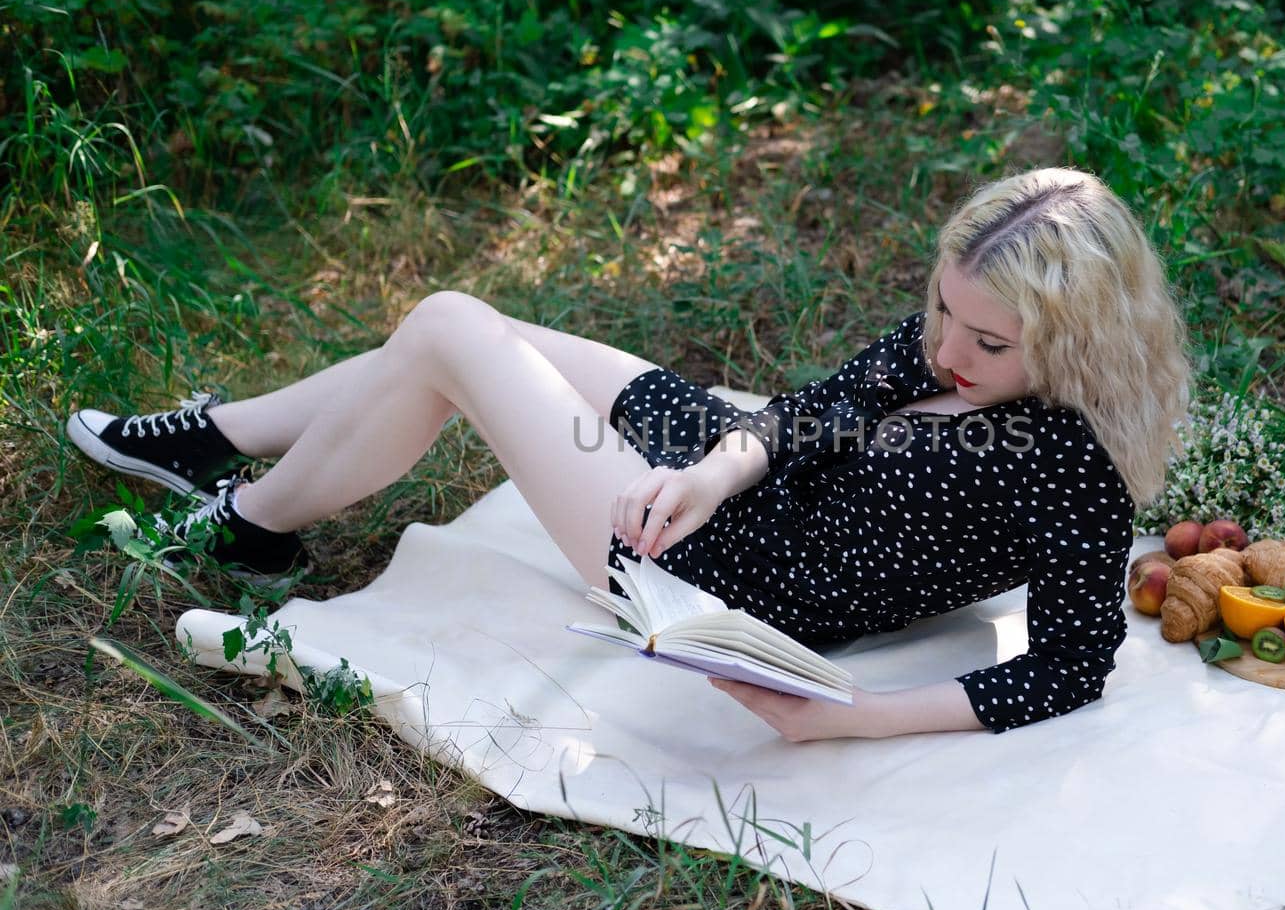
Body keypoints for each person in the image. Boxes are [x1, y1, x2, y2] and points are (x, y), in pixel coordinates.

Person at [66, 167, 1191, 741]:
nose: (944, 347)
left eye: (985, 340)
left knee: (455, 327)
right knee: (463, 336)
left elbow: (1067, 665)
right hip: (721, 491)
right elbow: (803, 413)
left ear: (1075, 341)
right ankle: (232, 443)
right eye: (939, 311)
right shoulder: (959, 339)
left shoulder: (1068, 464)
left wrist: (849, 714)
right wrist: (709, 469)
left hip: (732, 579)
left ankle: (250, 515)